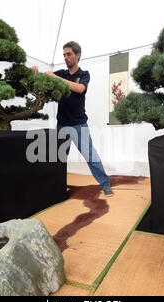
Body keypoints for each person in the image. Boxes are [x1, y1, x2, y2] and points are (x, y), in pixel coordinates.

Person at [31, 41, 113, 197]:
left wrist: (55, 77)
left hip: (78, 124)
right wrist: (34, 72)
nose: (66, 58)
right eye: (64, 55)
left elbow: (79, 89)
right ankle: (55, 186)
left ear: (78, 55)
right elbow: (43, 79)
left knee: (90, 156)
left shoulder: (83, 75)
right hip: (62, 124)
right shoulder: (61, 73)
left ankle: (105, 184)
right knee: (58, 158)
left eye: (69, 54)